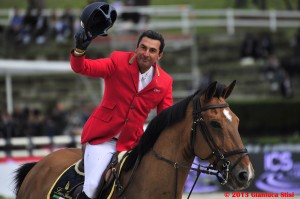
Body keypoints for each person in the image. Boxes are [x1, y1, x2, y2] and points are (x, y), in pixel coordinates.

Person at [70, 29, 173, 198]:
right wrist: (79, 51)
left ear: (160, 55)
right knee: (93, 185)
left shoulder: (165, 82)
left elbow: (165, 120)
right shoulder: (118, 60)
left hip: (132, 143)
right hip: (102, 138)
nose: (146, 53)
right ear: (136, 48)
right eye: (143, 47)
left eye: (152, 50)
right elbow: (82, 67)